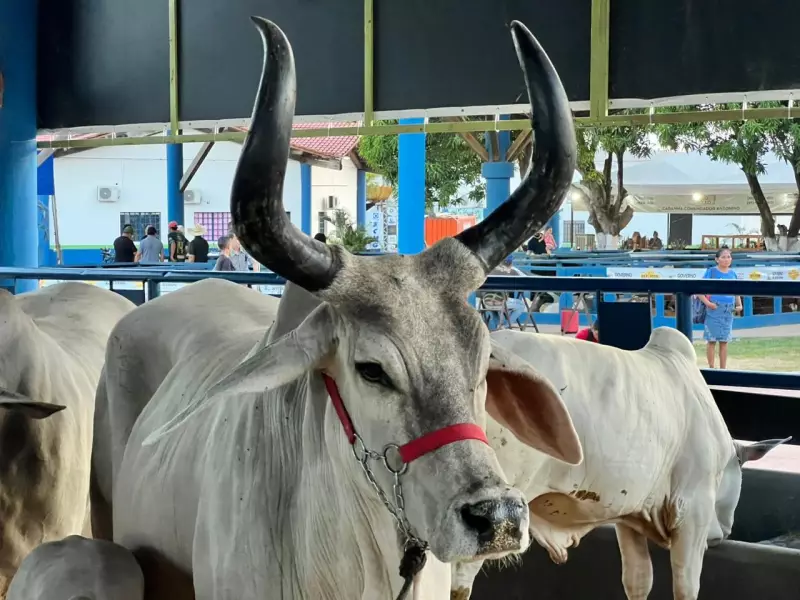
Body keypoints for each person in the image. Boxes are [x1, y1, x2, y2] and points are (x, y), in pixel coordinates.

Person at [699, 247, 742, 369]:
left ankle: (723, 369)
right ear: (717, 259)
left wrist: (739, 304)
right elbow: (698, 290)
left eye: (728, 257)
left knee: (724, 341)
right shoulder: (711, 272)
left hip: (728, 309)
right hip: (714, 308)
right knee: (711, 340)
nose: (726, 259)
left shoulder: (733, 273)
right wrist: (708, 303)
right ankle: (712, 368)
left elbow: (736, 291)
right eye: (723, 257)